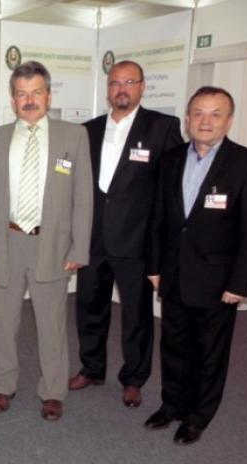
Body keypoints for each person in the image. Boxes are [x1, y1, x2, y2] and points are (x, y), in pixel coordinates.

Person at [146, 86, 247, 445]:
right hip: (173, 274)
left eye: (215, 114)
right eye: (199, 113)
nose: (206, 121)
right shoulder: (170, 159)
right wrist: (154, 266)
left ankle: (198, 416)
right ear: (188, 119)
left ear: (228, 121)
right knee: (173, 345)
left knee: (209, 352)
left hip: (219, 280)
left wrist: (240, 283)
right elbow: (159, 217)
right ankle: (172, 404)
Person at [0, 61, 93, 420]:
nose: (29, 100)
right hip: (7, 243)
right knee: (3, 321)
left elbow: (83, 197)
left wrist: (79, 247)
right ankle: (1, 385)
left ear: (48, 96)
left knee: (51, 324)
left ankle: (53, 390)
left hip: (51, 245)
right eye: (22, 94)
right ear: (12, 99)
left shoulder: (74, 136)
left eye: (36, 92)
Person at [71, 60, 183, 408]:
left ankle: (134, 378)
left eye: (129, 82)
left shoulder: (162, 127)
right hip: (93, 238)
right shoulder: (87, 130)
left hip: (136, 241)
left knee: (136, 314)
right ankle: (92, 368)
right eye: (115, 83)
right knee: (89, 307)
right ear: (108, 88)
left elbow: (171, 188)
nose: (121, 89)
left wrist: (165, 242)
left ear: (142, 87)